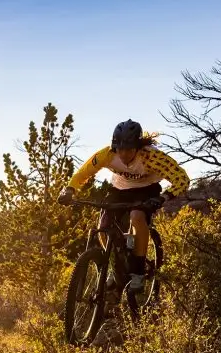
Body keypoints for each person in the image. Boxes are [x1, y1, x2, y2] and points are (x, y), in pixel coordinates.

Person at [58, 119, 189, 292]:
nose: (124, 154)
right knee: (104, 226)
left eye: (129, 149)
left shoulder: (152, 156)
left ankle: (138, 272)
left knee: (137, 216)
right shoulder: (107, 154)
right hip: (120, 189)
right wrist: (69, 190)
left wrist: (163, 197)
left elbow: (181, 179)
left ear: (138, 146)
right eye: (120, 149)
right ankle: (114, 265)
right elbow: (84, 172)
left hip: (147, 190)